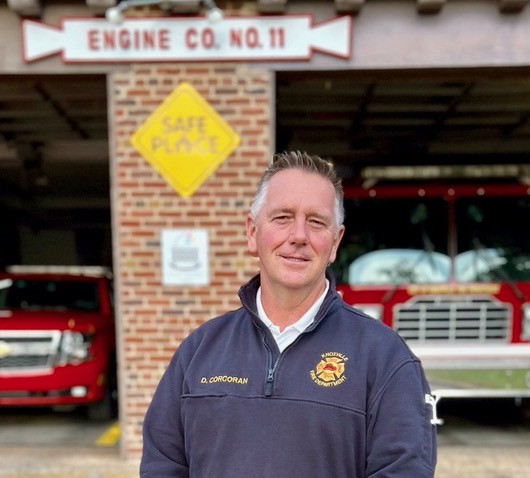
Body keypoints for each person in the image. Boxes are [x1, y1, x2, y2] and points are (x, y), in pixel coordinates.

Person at [140, 151, 438, 477]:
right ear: (252, 232)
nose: (298, 236)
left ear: (335, 242)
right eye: (282, 217)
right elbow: (162, 466)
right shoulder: (199, 351)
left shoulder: (385, 358)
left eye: (316, 222)